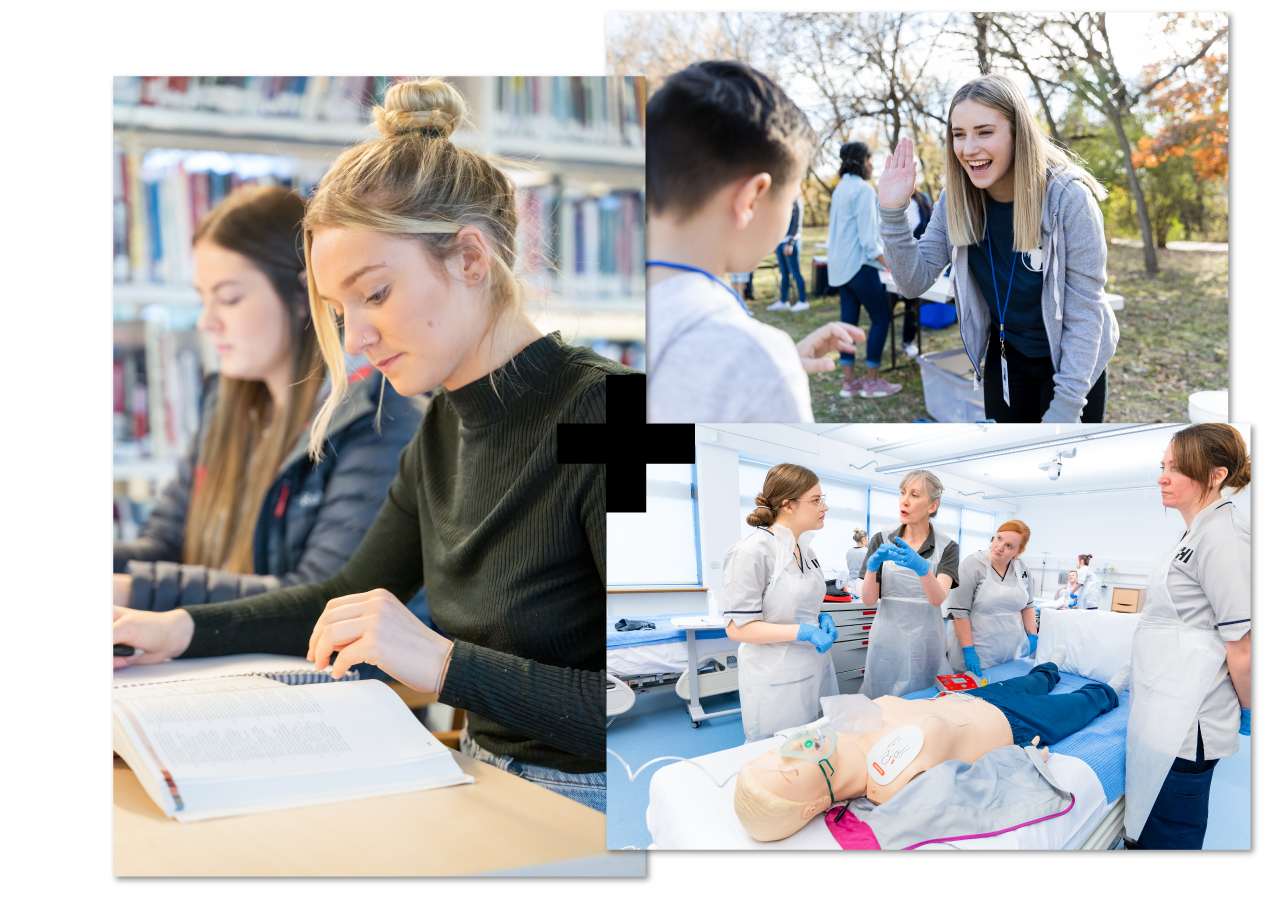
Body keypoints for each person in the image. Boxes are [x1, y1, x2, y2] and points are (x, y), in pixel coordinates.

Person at [112, 78, 636, 812]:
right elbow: (336, 599)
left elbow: (654, 702)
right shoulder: (441, 424)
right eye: (337, 309)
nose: (353, 339)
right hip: (482, 784)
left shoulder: (618, 415)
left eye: (376, 294)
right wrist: (178, 627)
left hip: (601, 800)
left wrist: (444, 663)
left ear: (469, 259)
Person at [112, 186, 425, 644]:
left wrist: (137, 591)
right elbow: (164, 544)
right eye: (203, 299)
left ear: (304, 295)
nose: (207, 322)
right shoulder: (225, 403)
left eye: (230, 298)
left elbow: (322, 597)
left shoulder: (378, 416)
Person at [877, 74, 1117, 423]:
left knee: (1062, 471)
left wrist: (1065, 406)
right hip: (1008, 356)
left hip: (1073, 364)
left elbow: (1086, 311)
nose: (968, 148)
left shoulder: (1068, 200)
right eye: (959, 135)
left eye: (984, 132)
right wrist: (892, 213)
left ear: (1018, 133)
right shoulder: (953, 202)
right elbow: (914, 282)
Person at [646, 60, 865, 423]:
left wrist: (777, 367)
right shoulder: (753, 358)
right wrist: (767, 371)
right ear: (751, 199)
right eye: (793, 197)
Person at [734, 654, 1124, 841]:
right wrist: (1025, 762)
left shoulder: (842, 726)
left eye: (774, 751)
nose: (790, 750)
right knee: (1089, 701)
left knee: (1039, 676)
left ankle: (1051, 666)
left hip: (975, 697)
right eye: (790, 769)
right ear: (813, 807)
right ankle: (1117, 683)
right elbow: (979, 790)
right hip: (1014, 725)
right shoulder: (888, 786)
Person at [1126, 424, 1251, 850]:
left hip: (1191, 719)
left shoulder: (1225, 536)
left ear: (1216, 475)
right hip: (1166, 706)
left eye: (1176, 469)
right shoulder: (1196, 532)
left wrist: (1249, 707)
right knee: (1152, 823)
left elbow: (1243, 645)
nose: (1162, 477)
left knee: (1172, 832)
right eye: (1163, 466)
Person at [722, 463, 839, 743]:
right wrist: (803, 631)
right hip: (774, 674)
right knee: (778, 756)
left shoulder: (806, 550)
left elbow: (798, 602)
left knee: (818, 745)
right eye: (815, 500)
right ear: (789, 505)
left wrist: (820, 618)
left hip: (815, 666)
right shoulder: (752, 551)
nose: (824, 507)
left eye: (823, 499)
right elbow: (738, 629)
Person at [858, 470, 960, 697]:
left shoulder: (947, 546)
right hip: (887, 640)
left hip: (927, 642)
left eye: (914, 495)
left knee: (925, 704)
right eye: (903, 493)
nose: (904, 500)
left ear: (932, 506)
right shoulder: (882, 538)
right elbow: (868, 600)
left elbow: (936, 599)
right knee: (883, 705)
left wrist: (923, 569)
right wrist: (872, 568)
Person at [828, 141, 900, 400]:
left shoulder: (840, 189)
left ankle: (850, 383)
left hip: (839, 270)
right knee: (881, 318)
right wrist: (893, 267)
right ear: (862, 162)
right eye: (870, 160)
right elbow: (869, 241)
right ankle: (871, 382)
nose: (872, 165)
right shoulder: (863, 190)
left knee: (847, 325)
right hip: (859, 267)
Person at [943, 520, 1037, 680]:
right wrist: (969, 651)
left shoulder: (1022, 569)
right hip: (977, 651)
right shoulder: (972, 565)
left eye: (1009, 546)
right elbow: (959, 613)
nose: (999, 547)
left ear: (1019, 551)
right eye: (998, 538)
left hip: (1009, 652)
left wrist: (1033, 636)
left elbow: (1027, 606)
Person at [897, 188, 934, 358]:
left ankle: (908, 341)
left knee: (912, 304)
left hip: (919, 261)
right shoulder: (888, 200)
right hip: (894, 262)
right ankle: (904, 341)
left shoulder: (923, 198)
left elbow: (931, 229)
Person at [766, 197, 809, 312]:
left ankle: (803, 301)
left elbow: (797, 223)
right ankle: (783, 301)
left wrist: (790, 243)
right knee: (784, 273)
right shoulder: (785, 199)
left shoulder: (797, 201)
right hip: (781, 242)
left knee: (795, 272)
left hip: (791, 243)